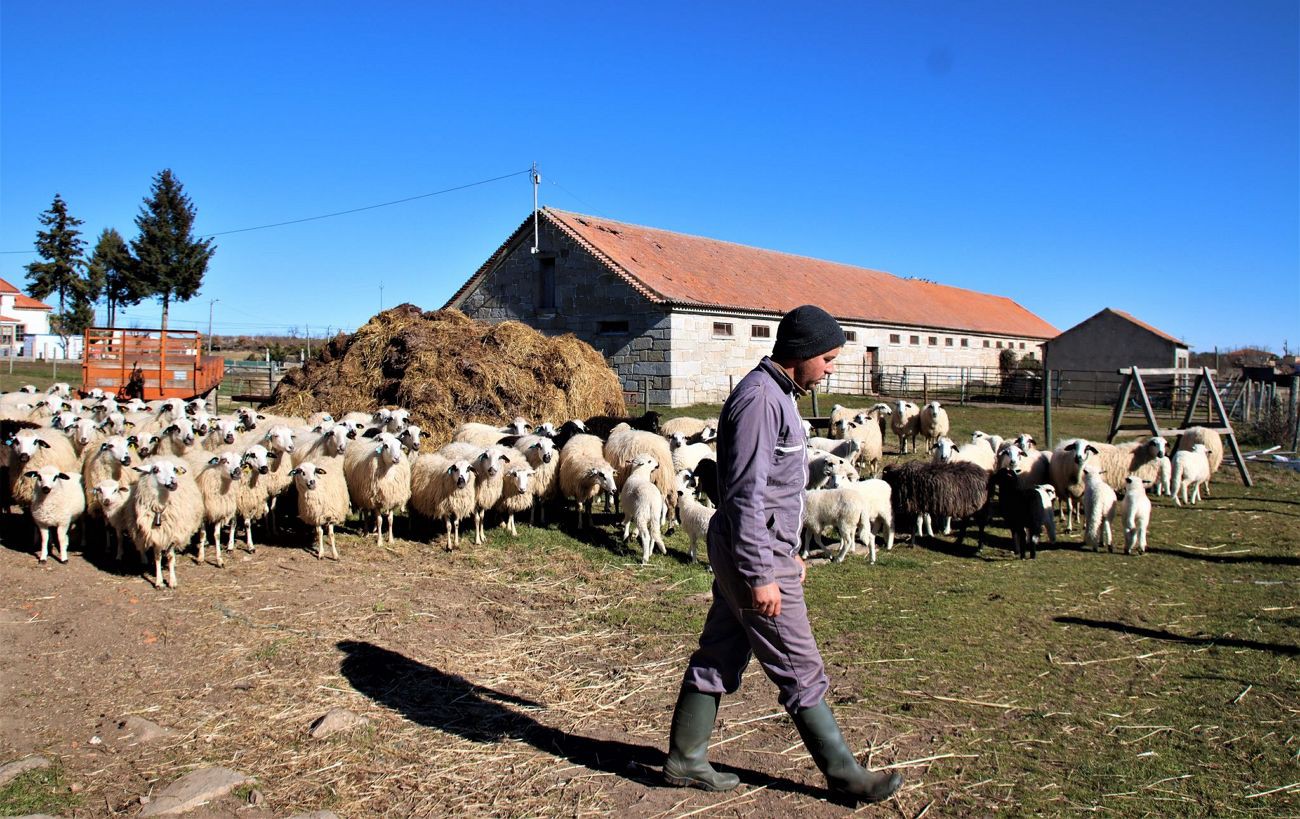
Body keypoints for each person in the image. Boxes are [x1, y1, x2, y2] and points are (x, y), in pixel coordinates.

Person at [663, 304, 903, 804]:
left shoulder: (777, 395)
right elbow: (747, 495)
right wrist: (761, 574)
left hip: (761, 550)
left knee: (721, 652)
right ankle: (844, 775)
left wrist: (788, 553)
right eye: (830, 358)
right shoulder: (759, 401)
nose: (832, 368)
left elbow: (775, 492)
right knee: (799, 664)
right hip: (754, 556)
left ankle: (685, 758)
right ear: (804, 353)